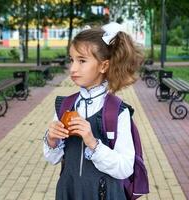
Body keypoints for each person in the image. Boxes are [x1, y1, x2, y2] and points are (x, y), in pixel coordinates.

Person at [43, 22, 144, 200]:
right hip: (69, 192)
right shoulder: (65, 105)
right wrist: (51, 140)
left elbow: (125, 168)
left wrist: (93, 143)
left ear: (103, 66)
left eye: (82, 61)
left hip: (105, 194)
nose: (73, 68)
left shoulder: (117, 111)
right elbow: (53, 159)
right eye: (71, 60)